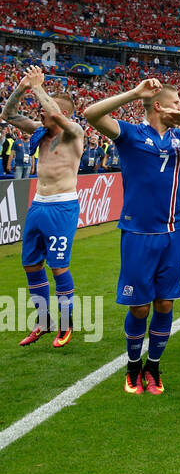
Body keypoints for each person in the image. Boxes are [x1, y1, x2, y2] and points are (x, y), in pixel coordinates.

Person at [84, 77, 180, 395]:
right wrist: (135, 93)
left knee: (164, 303)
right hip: (137, 233)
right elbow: (91, 114)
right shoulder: (131, 134)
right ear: (159, 106)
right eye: (177, 103)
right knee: (140, 308)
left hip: (173, 233)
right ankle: (133, 367)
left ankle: (154, 367)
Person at [3, 66, 85, 347]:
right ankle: (44, 320)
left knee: (58, 267)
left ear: (60, 113)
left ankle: (66, 323)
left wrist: (39, 89)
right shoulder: (40, 131)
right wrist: (23, 86)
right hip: (38, 204)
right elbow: (9, 115)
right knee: (30, 265)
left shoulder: (74, 133)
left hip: (62, 207)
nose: (40, 112)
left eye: (45, 109)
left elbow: (58, 116)